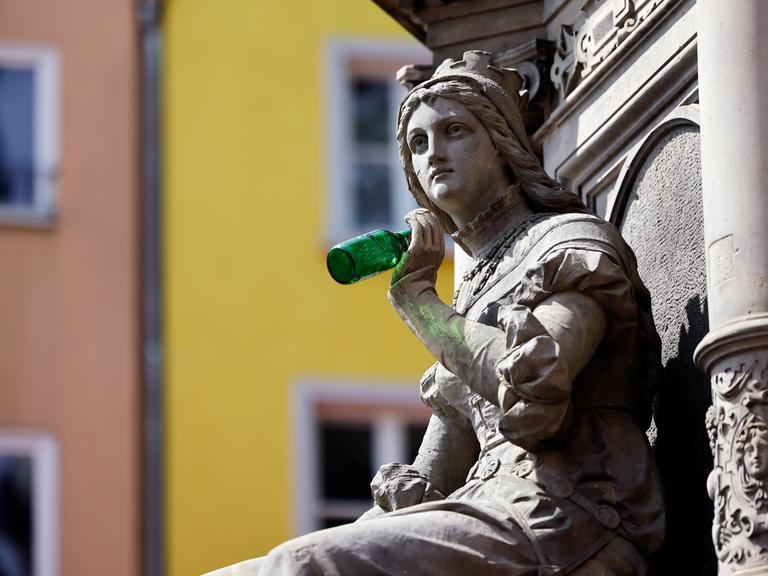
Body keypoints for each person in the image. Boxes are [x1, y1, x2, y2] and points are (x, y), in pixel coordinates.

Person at [207, 50, 665, 576]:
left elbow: (536, 390)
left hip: (569, 517)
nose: (434, 155)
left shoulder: (569, 245)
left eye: (454, 131)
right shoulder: (477, 287)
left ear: (502, 143)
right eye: (418, 143)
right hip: (493, 509)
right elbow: (434, 476)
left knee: (300, 564)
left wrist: (421, 305)